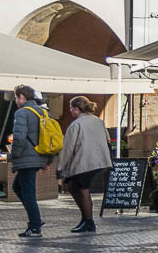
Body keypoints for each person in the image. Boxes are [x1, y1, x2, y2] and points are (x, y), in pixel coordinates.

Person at [56, 96, 111, 235]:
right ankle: (85, 219)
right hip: (99, 160)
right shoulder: (98, 121)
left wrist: (60, 167)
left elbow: (68, 148)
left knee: (82, 188)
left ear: (76, 108)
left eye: (71, 107)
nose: (69, 110)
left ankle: (88, 221)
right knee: (73, 185)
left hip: (85, 162)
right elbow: (107, 139)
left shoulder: (76, 124)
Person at [9, 85, 54, 239]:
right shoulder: (43, 112)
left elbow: (19, 138)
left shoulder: (22, 113)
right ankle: (36, 220)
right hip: (38, 156)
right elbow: (50, 138)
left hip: (26, 158)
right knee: (18, 187)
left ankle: (35, 226)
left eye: (16, 97)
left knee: (28, 193)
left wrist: (13, 156)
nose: (15, 101)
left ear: (21, 97)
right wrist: (48, 159)